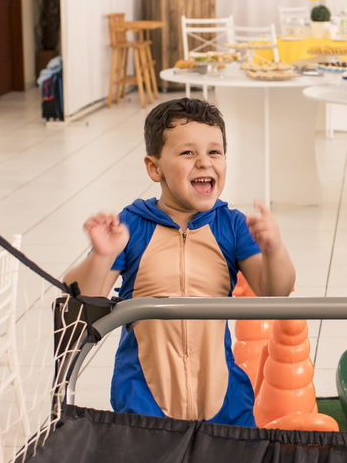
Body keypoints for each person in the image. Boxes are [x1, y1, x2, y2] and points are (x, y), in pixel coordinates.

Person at [62, 98, 296, 426]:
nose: (204, 162)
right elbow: (82, 296)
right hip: (143, 396)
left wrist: (274, 249)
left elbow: (276, 292)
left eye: (214, 152)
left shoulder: (231, 225)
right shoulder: (132, 224)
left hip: (222, 398)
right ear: (154, 167)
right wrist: (102, 255)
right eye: (188, 152)